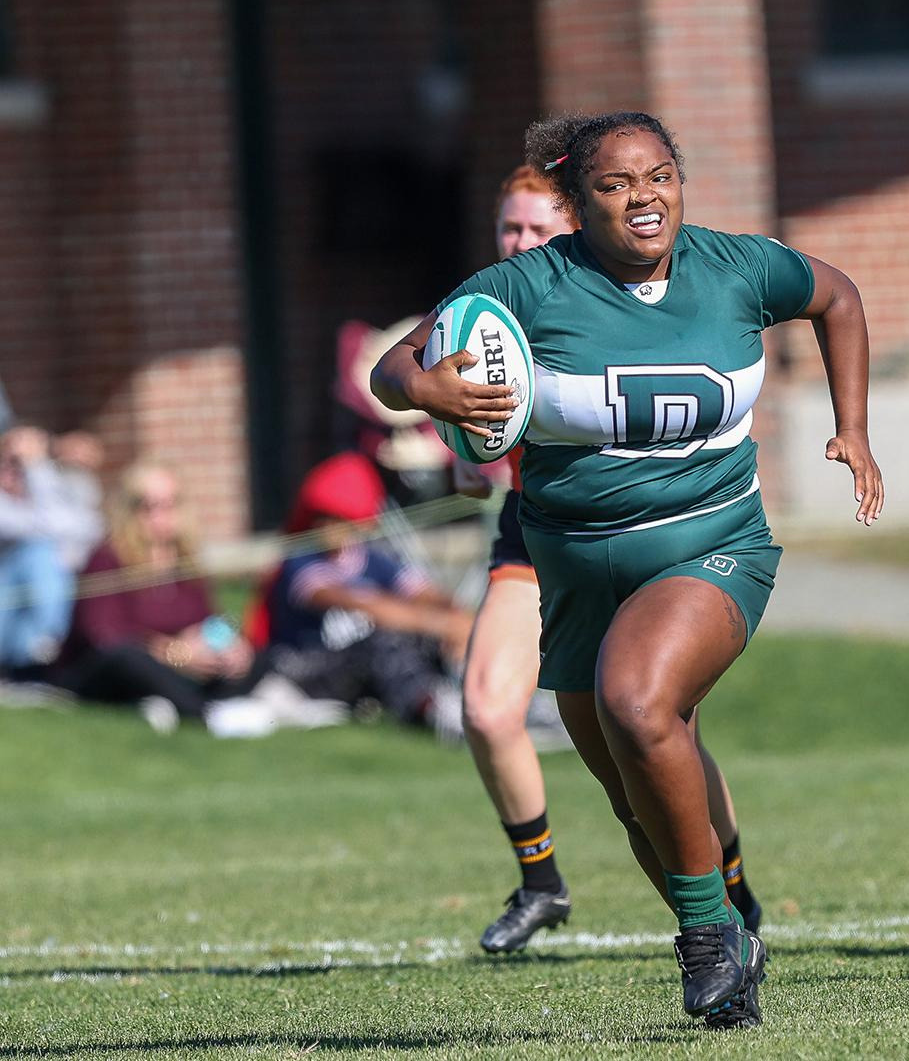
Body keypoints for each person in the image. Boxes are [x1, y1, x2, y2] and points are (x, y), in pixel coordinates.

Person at [372, 111, 883, 1029]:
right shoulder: (528, 282)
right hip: (572, 570)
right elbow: (395, 365)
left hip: (710, 544)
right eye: (614, 185)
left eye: (658, 177)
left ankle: (706, 938)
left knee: (638, 700)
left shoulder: (737, 266)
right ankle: (732, 943)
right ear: (573, 203)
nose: (643, 198)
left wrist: (854, 428)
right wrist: (426, 389)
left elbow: (838, 297)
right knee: (629, 788)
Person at [452, 165, 768, 957]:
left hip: (657, 534)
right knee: (491, 708)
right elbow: (440, 400)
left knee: (661, 727)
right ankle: (541, 881)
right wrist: (453, 424)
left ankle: (731, 899)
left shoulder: (609, 292)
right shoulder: (491, 309)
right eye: (509, 228)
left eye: (535, 228)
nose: (520, 242)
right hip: (537, 536)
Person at [53, 464, 344, 735]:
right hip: (108, 668)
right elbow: (105, 636)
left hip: (180, 664)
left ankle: (196, 702)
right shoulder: (107, 557)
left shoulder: (185, 559)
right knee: (130, 659)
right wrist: (176, 653)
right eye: (149, 505)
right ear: (129, 510)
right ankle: (205, 715)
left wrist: (228, 645)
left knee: (259, 654)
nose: (161, 514)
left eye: (171, 503)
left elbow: (211, 619)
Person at [259, 453, 471, 729]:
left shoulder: (372, 558)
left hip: (359, 669)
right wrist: (438, 623)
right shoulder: (300, 563)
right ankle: (429, 709)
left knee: (430, 636)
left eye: (338, 519)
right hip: (306, 666)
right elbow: (366, 606)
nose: (329, 528)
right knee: (385, 639)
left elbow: (424, 592)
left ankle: (473, 693)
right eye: (322, 518)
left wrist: (455, 616)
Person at [0, 426, 101, 675]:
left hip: (24, 615)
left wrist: (37, 469)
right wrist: (37, 471)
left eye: (23, 464)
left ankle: (40, 653)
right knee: (40, 553)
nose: (16, 471)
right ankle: (46, 651)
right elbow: (38, 526)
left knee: (47, 556)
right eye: (11, 462)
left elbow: (87, 528)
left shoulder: (64, 485)